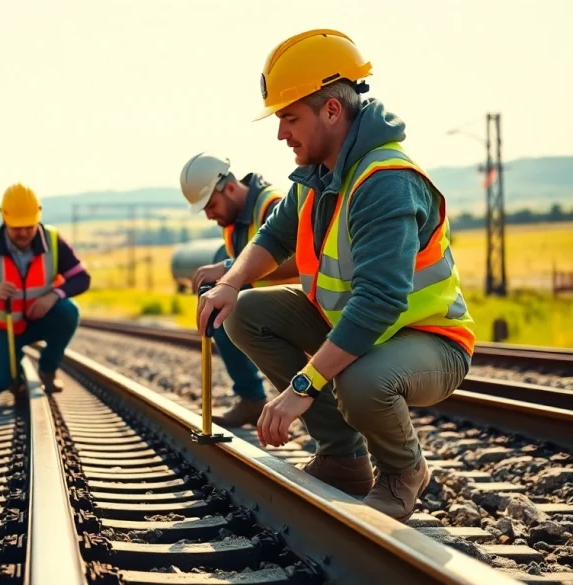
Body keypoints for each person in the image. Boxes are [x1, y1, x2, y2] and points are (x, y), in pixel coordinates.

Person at [197, 28, 475, 522]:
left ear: (331, 110)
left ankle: (403, 471)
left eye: (289, 117)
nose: (281, 134)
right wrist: (229, 283)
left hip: (428, 339)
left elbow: (379, 303)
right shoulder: (320, 174)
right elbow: (272, 238)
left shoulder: (384, 181)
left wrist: (301, 388)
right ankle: (344, 458)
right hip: (359, 327)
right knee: (244, 314)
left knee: (359, 380)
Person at [179, 154, 299, 426]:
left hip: (301, 303)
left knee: (231, 310)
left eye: (211, 205)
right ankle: (252, 399)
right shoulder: (233, 223)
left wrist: (229, 268)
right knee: (218, 309)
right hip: (268, 304)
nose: (209, 215)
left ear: (230, 188)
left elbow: (298, 260)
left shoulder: (273, 205)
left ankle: (317, 412)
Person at [0, 183, 91, 396]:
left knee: (68, 311)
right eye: (16, 227)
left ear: (38, 217)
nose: (24, 233)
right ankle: (13, 369)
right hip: (4, 328)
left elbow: (82, 278)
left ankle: (48, 369)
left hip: (41, 320)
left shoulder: (53, 240)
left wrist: (54, 295)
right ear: (3, 218)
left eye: (29, 226)